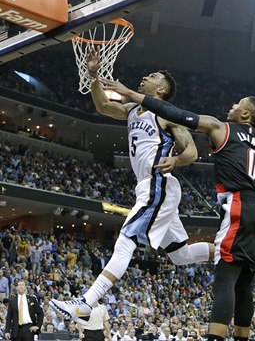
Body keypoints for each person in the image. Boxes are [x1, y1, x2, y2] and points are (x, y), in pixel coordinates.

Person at [98, 76, 255, 341]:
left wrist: (128, 93)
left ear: (246, 113)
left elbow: (176, 114)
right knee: (244, 282)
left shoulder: (222, 128)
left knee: (225, 278)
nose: (232, 105)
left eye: (237, 104)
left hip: (238, 204)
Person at [50, 50, 215, 325]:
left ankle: (86, 303)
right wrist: (93, 75)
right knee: (180, 255)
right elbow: (103, 106)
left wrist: (174, 159)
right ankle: (228, 250)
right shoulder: (132, 109)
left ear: (161, 89)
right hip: (149, 186)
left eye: (151, 77)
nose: (144, 77)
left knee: (126, 240)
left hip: (157, 184)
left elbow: (192, 153)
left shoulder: (167, 116)